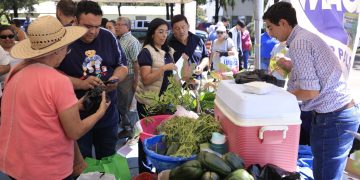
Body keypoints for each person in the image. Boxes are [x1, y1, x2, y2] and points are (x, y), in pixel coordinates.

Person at [0, 15, 109, 180]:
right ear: (58, 49)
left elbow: (37, 112)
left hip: (15, 164)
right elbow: (75, 131)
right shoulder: (58, 80)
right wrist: (100, 112)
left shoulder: (16, 73)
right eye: (67, 47)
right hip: (47, 169)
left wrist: (76, 106)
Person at [263, 2, 359, 179]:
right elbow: (317, 74)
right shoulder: (303, 38)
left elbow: (311, 92)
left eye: (270, 27)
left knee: (325, 176)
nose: (269, 33)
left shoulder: (299, 43)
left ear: (283, 23)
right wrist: (291, 66)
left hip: (333, 118)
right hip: (338, 114)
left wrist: (281, 97)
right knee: (324, 172)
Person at [58, 1, 128, 159]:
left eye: (97, 26)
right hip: (76, 115)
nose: (93, 32)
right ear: (74, 20)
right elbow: (51, 76)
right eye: (87, 26)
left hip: (107, 113)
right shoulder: (63, 39)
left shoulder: (108, 36)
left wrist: (115, 79)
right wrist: (81, 83)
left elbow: (123, 66)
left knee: (108, 159)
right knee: (82, 163)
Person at [135, 18, 176, 173]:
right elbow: (146, 80)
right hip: (148, 103)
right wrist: (164, 68)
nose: (164, 35)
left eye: (166, 32)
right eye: (160, 31)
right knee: (147, 138)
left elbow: (172, 76)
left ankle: (160, 170)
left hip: (165, 102)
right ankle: (145, 171)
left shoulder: (168, 51)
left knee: (162, 137)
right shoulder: (146, 52)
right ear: (152, 34)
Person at [115, 16, 141, 139]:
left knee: (129, 106)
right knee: (121, 105)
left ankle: (134, 134)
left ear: (128, 27)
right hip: (121, 77)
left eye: (120, 25)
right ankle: (127, 129)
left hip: (129, 77)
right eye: (116, 24)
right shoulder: (119, 39)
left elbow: (137, 62)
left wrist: (136, 80)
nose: (117, 27)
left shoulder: (132, 41)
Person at [168, 14, 209, 82]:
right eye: (177, 28)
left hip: (197, 82)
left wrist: (201, 66)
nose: (181, 31)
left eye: (183, 27)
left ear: (188, 26)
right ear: (173, 30)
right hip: (177, 85)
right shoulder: (168, 44)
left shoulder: (197, 40)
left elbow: (206, 57)